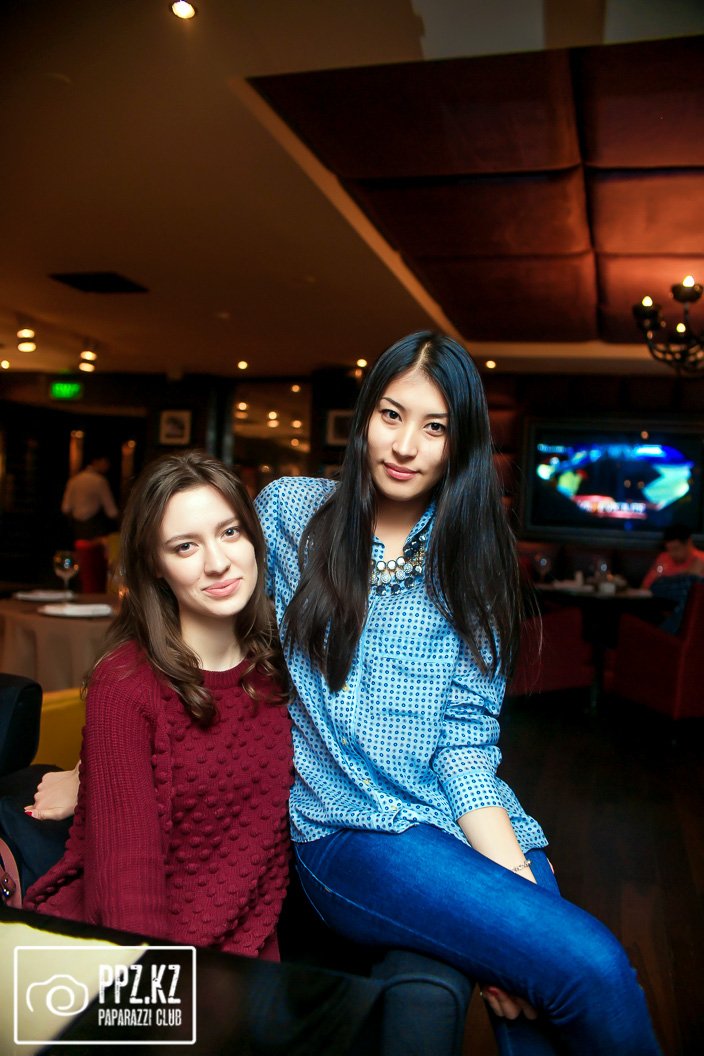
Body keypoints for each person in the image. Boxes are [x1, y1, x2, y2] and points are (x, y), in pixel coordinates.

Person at [252, 331, 662, 1054]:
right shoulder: (291, 515)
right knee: (592, 966)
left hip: (458, 817)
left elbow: (464, 744)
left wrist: (511, 888)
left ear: (459, 442)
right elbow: (203, 638)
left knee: (545, 999)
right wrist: (95, 763)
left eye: (435, 427)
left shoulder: (474, 562)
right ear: (365, 418)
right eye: (391, 415)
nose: (405, 445)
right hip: (352, 829)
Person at [25, 451, 292, 960]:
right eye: (185, 546)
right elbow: (126, 899)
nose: (217, 562)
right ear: (155, 564)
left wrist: (84, 776)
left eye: (230, 532)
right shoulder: (126, 684)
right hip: (136, 957)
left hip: (248, 956)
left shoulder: (284, 666)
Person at [61, 453, 119, 542]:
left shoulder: (74, 480)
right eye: (105, 462)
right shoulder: (99, 481)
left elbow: (65, 508)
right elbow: (111, 512)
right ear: (96, 461)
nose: (107, 466)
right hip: (94, 528)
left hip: (77, 528)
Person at [641, 522, 704, 589]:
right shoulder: (663, 559)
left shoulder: (701, 559)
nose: (672, 554)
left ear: (688, 543)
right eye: (669, 550)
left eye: (676, 549)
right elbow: (648, 584)